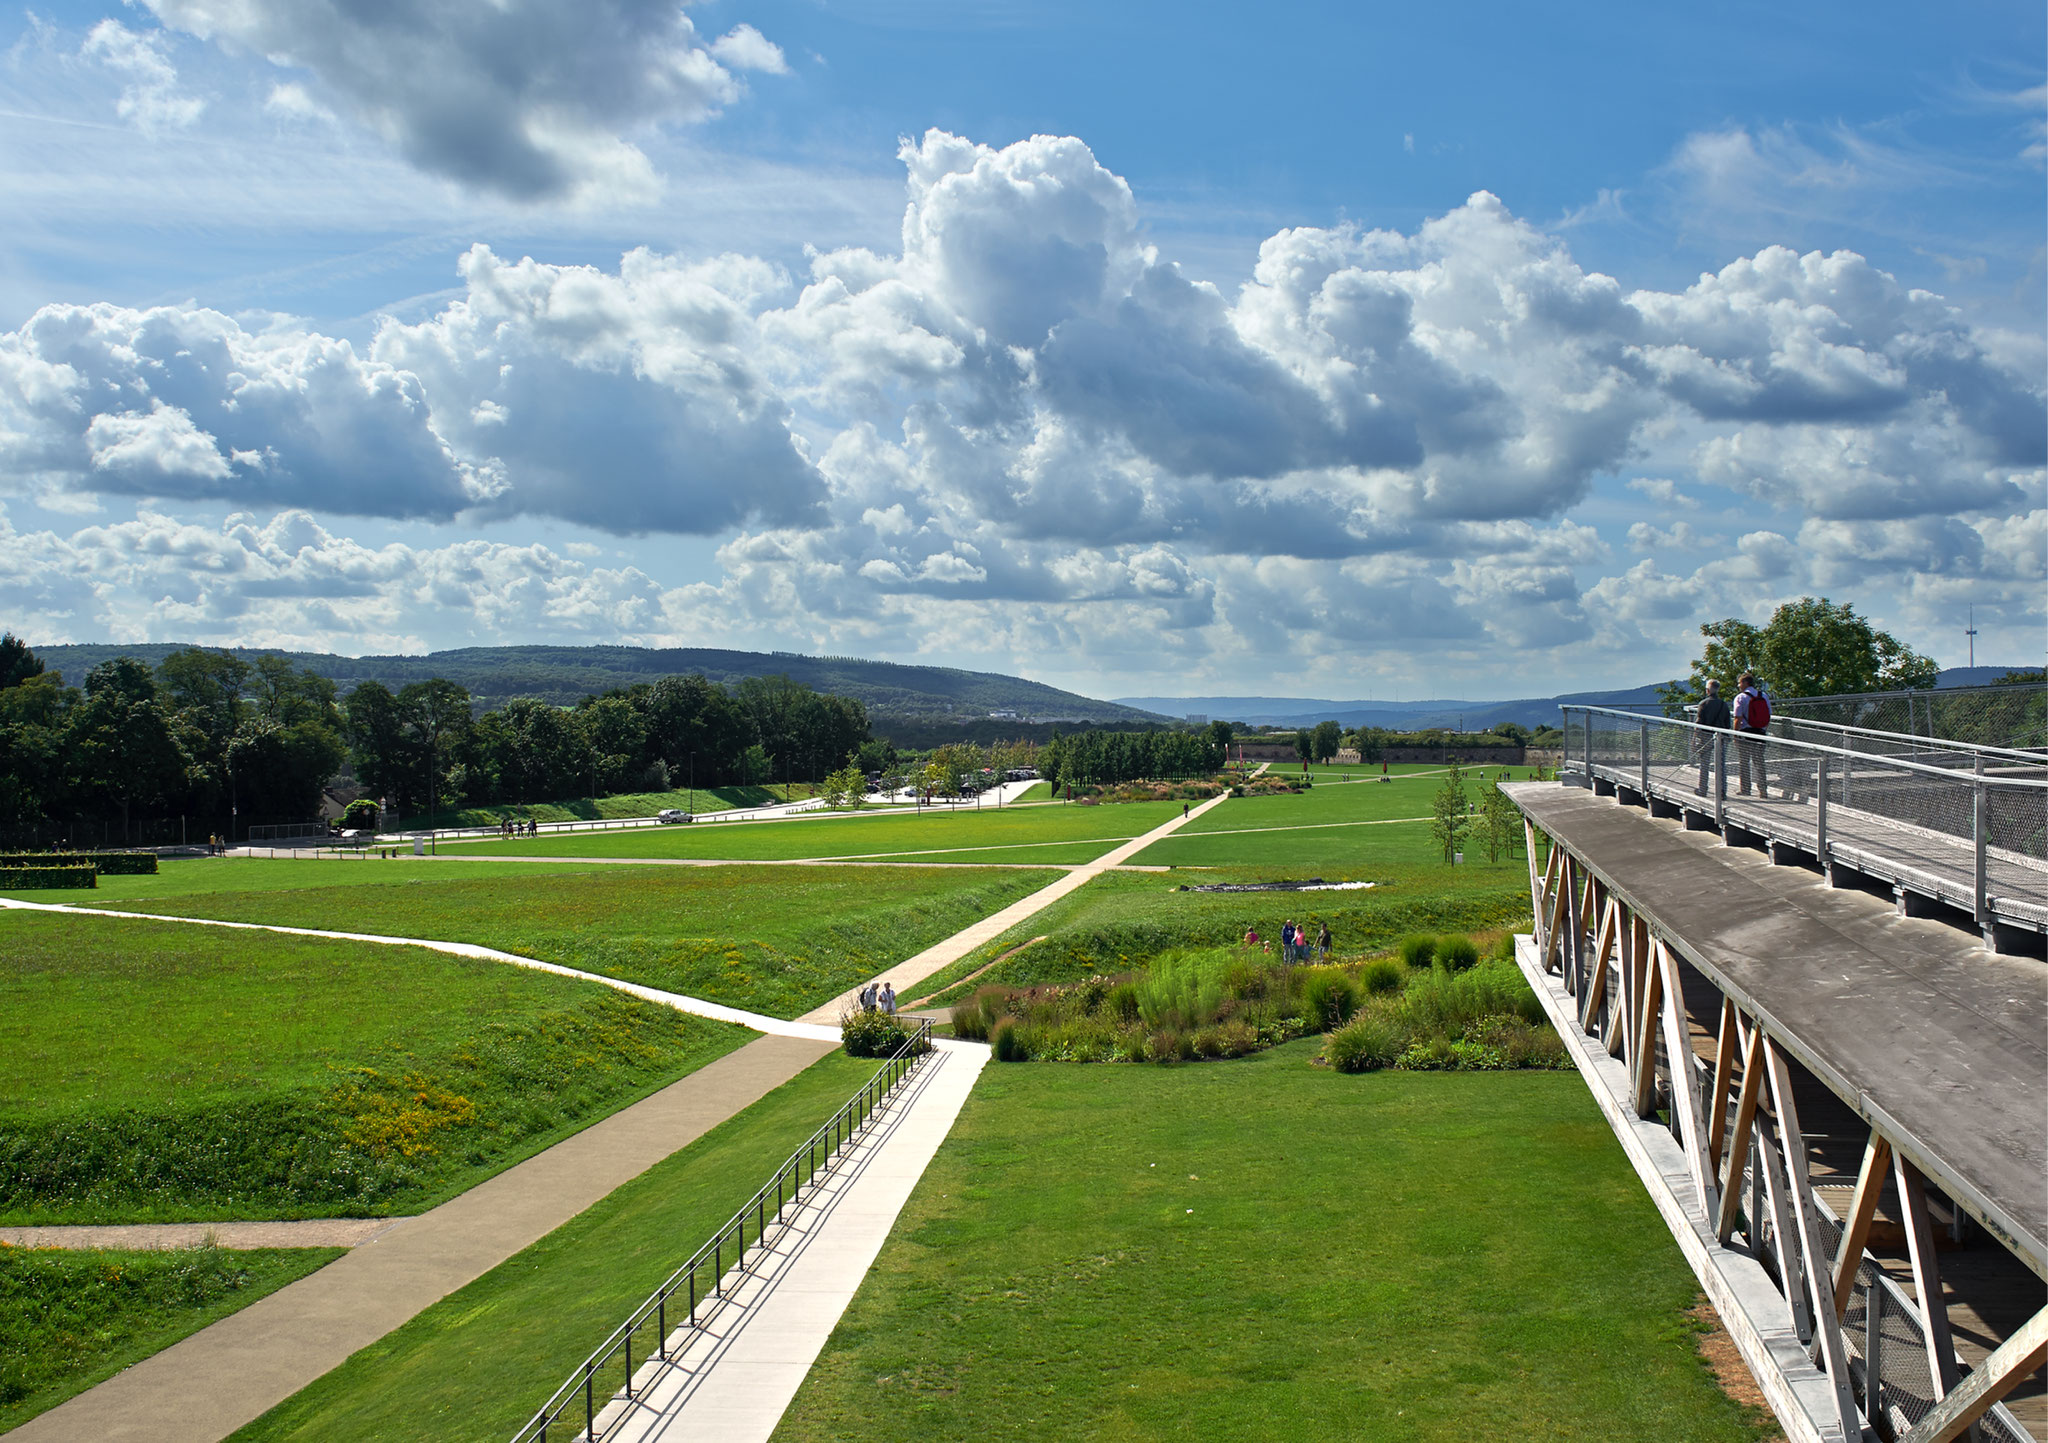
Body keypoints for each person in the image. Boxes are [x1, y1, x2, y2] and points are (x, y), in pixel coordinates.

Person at [1732, 671, 1769, 798]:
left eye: (1739, 683)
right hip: (1760, 732)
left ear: (1745, 683)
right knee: (1759, 762)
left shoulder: (1740, 697)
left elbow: (1738, 717)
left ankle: (1745, 788)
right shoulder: (1763, 695)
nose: (1738, 685)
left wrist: (1735, 735)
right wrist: (1763, 729)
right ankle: (1763, 790)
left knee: (1744, 762)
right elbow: (1768, 715)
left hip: (1745, 732)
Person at [1694, 679, 1731, 795]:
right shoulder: (1723, 704)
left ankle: (1703, 789)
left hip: (1706, 737)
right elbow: (1727, 724)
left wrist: (1695, 737)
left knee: (1704, 764)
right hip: (1721, 738)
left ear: (1708, 690)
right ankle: (1722, 791)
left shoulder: (1703, 704)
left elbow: (1698, 723)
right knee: (1721, 765)